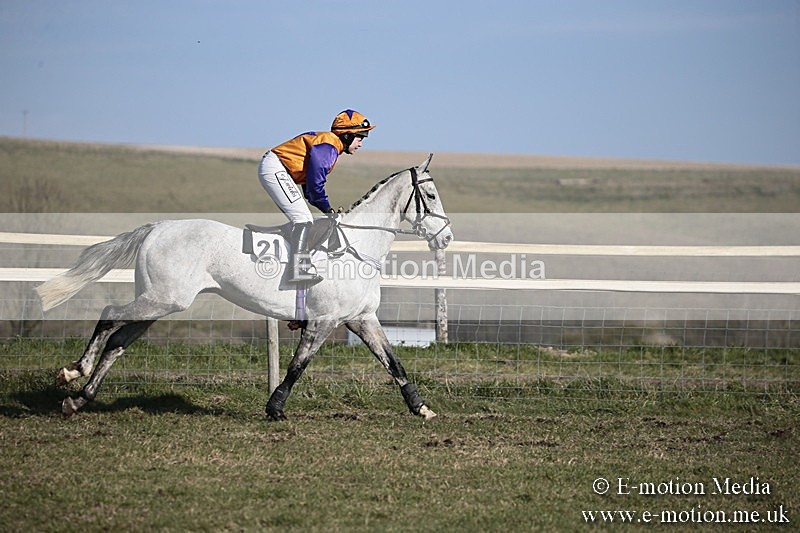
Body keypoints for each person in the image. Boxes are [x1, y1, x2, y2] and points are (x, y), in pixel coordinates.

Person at [258, 109, 375, 283]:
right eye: (360, 138)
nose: (361, 144)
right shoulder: (329, 147)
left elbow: (310, 191)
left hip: (278, 168)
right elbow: (315, 185)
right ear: (347, 135)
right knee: (303, 219)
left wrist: (326, 208)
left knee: (304, 218)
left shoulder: (329, 144)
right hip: (276, 168)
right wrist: (328, 209)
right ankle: (298, 269)